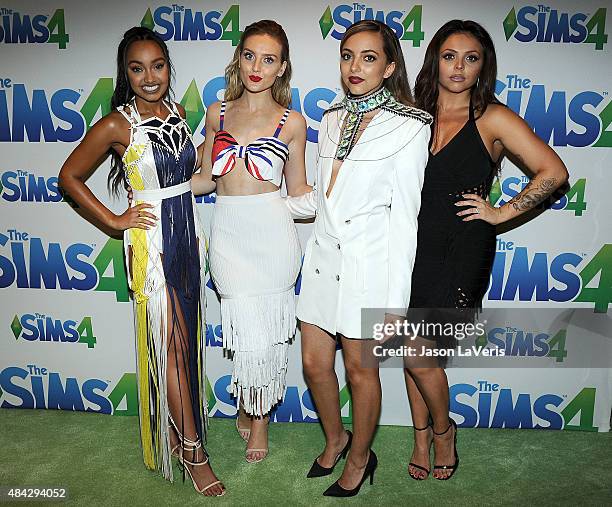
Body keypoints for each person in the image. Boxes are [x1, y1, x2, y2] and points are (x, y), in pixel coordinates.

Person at [58, 27, 224, 496]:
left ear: (169, 67)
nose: (149, 77)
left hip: (188, 238)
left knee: (185, 343)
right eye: (137, 68)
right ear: (125, 73)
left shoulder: (178, 111)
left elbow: (190, 176)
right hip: (151, 245)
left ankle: (177, 432)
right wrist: (115, 221)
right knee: (170, 345)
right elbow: (68, 175)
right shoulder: (117, 124)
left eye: (157, 66)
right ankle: (193, 450)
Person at [405, 19, 569, 481]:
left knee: (420, 350)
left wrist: (500, 212)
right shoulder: (413, 114)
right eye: (449, 55)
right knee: (410, 349)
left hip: (461, 250)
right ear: (434, 58)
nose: (459, 67)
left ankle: (443, 431)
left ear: (483, 66)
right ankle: (420, 437)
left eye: (471, 57)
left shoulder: (492, 117)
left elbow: (553, 171)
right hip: (408, 245)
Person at [285, 20, 432, 497]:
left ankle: (361, 457)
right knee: (312, 364)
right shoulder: (330, 119)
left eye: (369, 57)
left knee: (360, 371)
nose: (355, 66)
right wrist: (261, 201)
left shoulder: (410, 127)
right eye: (348, 55)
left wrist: (396, 306)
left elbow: (406, 221)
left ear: (389, 67)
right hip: (323, 263)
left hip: (369, 270)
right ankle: (336, 438)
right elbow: (321, 199)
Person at [191, 19, 310, 464]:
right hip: (228, 232)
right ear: (237, 59)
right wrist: (161, 190)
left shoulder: (292, 121)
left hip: (272, 232)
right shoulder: (216, 113)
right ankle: (250, 403)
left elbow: (298, 191)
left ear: (282, 69)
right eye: (249, 55)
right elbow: (205, 180)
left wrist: (346, 198)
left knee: (270, 334)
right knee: (244, 330)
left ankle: (259, 419)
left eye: (268, 59)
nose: (257, 66)